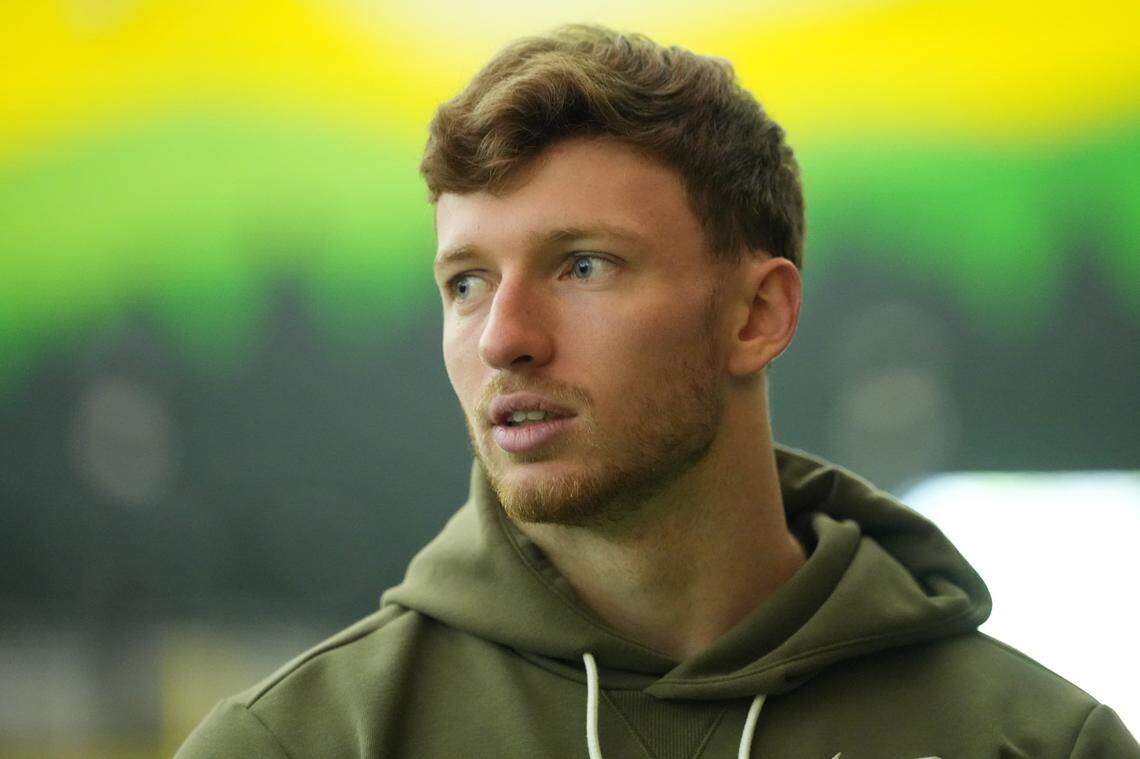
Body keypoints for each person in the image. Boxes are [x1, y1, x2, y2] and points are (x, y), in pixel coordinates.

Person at [177, 24, 1138, 758]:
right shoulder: (299, 742)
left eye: (583, 266)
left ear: (757, 314)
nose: (504, 337)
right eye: (465, 282)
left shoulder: (1042, 743)